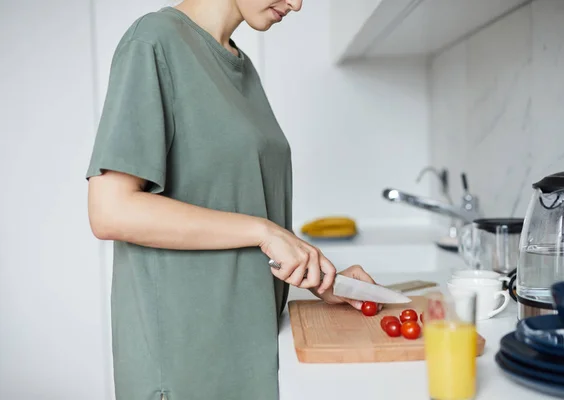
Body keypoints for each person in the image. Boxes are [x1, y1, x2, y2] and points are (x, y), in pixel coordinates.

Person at [86, 0, 378, 399]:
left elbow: (239, 200)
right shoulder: (154, 41)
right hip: (188, 362)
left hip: (249, 344)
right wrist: (264, 231)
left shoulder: (238, 63)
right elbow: (111, 211)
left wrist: (318, 275)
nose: (297, 3)